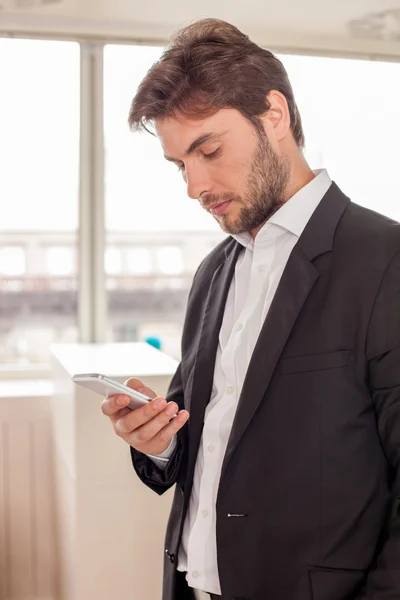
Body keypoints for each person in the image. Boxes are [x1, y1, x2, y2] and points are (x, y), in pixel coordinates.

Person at [101, 18, 400, 600]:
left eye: (208, 150)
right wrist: (159, 441)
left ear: (275, 116)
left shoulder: (385, 261)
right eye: (180, 165)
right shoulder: (215, 270)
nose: (195, 185)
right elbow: (210, 440)